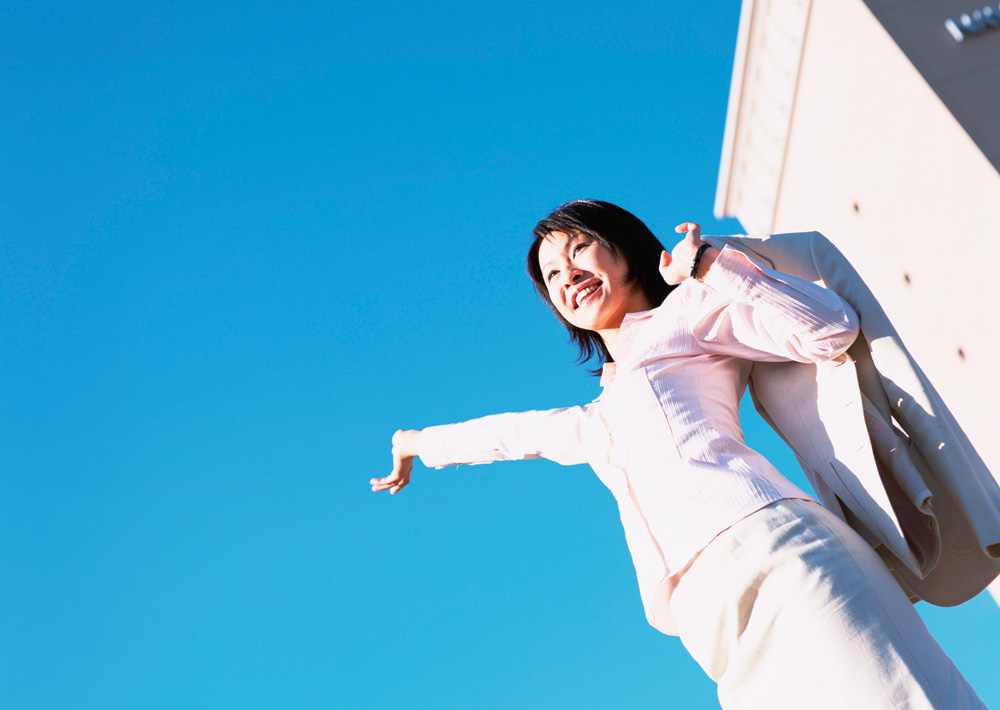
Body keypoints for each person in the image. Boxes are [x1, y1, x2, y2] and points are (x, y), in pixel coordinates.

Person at [370, 200, 988, 709]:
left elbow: (830, 329)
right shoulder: (598, 418)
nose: (566, 274)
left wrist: (712, 266)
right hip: (706, 616)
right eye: (551, 275)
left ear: (622, 245)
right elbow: (510, 433)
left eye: (576, 249)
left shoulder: (688, 314)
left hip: (781, 555)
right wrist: (415, 444)